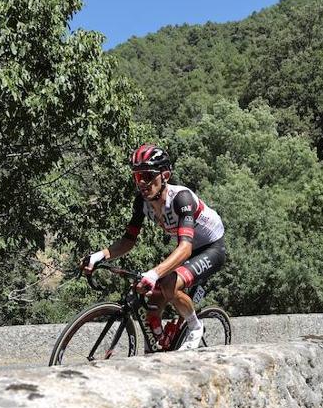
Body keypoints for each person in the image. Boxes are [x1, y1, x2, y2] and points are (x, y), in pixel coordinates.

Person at [81, 144, 227, 350]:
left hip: (211, 247)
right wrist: (99, 256)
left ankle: (195, 326)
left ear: (164, 175)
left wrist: (153, 274)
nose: (142, 183)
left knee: (167, 284)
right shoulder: (141, 202)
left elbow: (185, 248)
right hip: (188, 247)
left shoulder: (181, 198)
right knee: (152, 304)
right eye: (137, 177)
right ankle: (162, 345)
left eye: (148, 176)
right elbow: (127, 241)